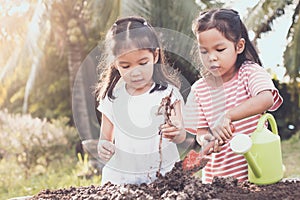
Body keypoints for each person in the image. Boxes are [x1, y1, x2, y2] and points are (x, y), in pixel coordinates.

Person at [184, 8, 283, 183]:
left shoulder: (249, 73)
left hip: (256, 176)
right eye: (204, 51)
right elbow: (201, 131)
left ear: (239, 46)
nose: (211, 58)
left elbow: (266, 99)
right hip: (216, 180)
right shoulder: (199, 89)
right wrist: (207, 140)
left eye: (220, 49)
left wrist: (228, 115)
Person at [95, 16, 186, 185]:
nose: (135, 72)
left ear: (155, 56)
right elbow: (105, 139)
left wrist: (176, 131)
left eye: (143, 63)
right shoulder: (113, 97)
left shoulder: (168, 94)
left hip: (163, 178)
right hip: (122, 180)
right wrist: (104, 148)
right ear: (115, 64)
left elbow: (181, 136)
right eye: (126, 66)